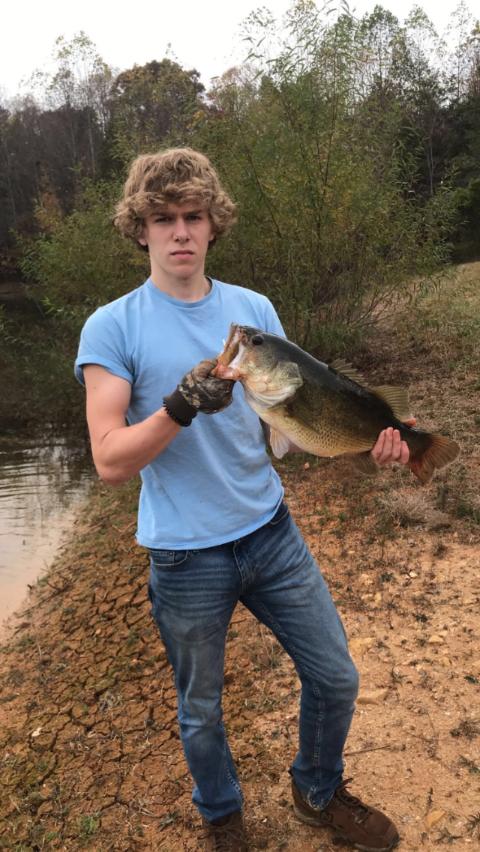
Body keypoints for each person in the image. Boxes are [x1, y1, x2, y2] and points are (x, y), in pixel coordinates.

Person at [75, 148, 409, 851]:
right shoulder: (113, 327)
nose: (181, 231)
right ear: (140, 228)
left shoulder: (252, 311)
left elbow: (290, 426)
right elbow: (108, 460)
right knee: (201, 709)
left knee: (335, 677)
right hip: (185, 556)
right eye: (163, 218)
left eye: (194, 216)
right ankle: (223, 818)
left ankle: (318, 793)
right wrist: (180, 406)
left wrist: (366, 443)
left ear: (213, 223)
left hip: (270, 533)